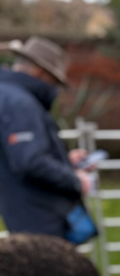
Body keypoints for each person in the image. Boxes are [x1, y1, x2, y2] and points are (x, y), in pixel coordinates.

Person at [0, 36, 93, 239]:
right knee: (50, 269)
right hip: (40, 220)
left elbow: (20, 153)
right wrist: (75, 180)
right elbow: (30, 162)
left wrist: (65, 161)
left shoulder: (10, 96)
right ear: (42, 73)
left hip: (26, 214)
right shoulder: (20, 103)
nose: (54, 88)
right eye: (54, 80)